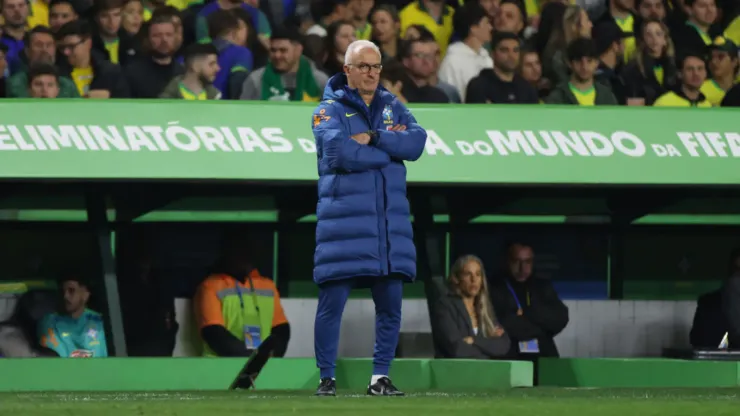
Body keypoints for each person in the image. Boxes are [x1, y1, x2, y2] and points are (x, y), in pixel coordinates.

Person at [311, 39, 427, 397]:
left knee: (391, 306)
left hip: (387, 231)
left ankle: (380, 377)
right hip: (343, 227)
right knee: (332, 305)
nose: (371, 73)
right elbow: (338, 152)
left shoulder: (392, 105)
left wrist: (374, 138)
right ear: (347, 70)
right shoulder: (327, 110)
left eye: (376, 66)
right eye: (363, 66)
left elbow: (418, 143)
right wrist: (388, 153)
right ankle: (326, 377)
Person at [433, 255, 511, 359]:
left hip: (483, 370)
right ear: (456, 278)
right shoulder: (445, 305)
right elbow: (457, 349)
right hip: (454, 370)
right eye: (467, 274)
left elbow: (503, 345)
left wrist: (474, 341)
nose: (474, 279)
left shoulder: (484, 307)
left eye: (478, 274)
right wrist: (488, 346)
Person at [37, 275, 108, 358]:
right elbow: (55, 360)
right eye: (62, 291)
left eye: (71, 290)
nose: (65, 296)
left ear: (85, 295)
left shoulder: (100, 321)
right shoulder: (49, 322)